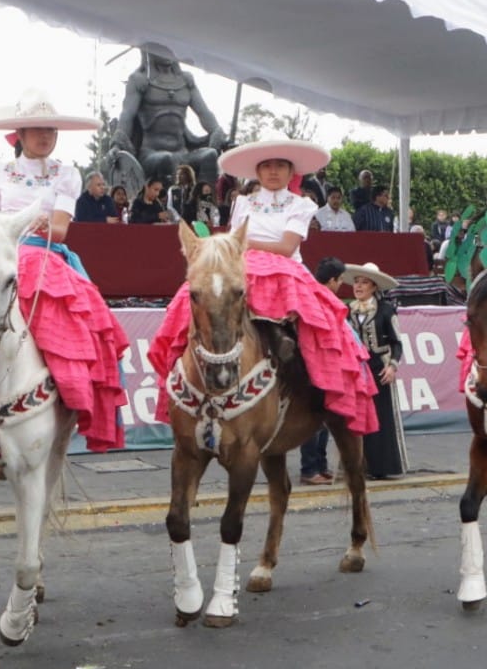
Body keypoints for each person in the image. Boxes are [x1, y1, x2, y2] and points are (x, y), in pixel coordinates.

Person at [0, 87, 129, 454]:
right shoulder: (0, 171)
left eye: (51, 130)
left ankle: (64, 407)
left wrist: (15, 226)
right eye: (36, 129)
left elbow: (59, 229)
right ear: (20, 135)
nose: (45, 136)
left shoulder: (68, 173)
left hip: (44, 258)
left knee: (92, 332)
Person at [149, 139, 378, 442]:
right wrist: (230, 246)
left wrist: (238, 242)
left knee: (324, 327)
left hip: (285, 269)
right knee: (190, 303)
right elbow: (234, 242)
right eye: (267, 166)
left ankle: (313, 388)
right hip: (241, 265)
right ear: (257, 171)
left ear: (290, 171)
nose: (273, 171)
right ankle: (184, 382)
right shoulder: (243, 201)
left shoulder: (302, 204)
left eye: (280, 166)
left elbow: (286, 247)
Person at [111, 44, 227, 188]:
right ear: (149, 50)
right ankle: (168, 205)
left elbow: (204, 113)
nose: (168, 53)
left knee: (209, 155)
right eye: (161, 48)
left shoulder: (186, 80)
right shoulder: (139, 80)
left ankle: (204, 203)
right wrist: (117, 143)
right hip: (151, 154)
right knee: (166, 159)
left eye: (171, 47)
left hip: (182, 152)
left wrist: (218, 133)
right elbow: (127, 115)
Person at [344, 262, 407, 479]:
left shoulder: (386, 310)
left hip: (378, 367)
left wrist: (392, 366)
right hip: (356, 368)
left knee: (380, 416)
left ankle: (381, 466)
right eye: (356, 282)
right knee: (357, 415)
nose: (358, 286)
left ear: (374, 287)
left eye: (364, 282)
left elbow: (397, 342)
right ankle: (358, 463)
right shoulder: (347, 311)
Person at [300, 257, 348, 484]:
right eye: (339, 281)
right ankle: (310, 469)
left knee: (324, 420)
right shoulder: (317, 299)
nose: (340, 285)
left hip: (321, 365)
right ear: (332, 280)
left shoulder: (314, 296)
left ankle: (320, 464)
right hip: (315, 366)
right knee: (314, 421)